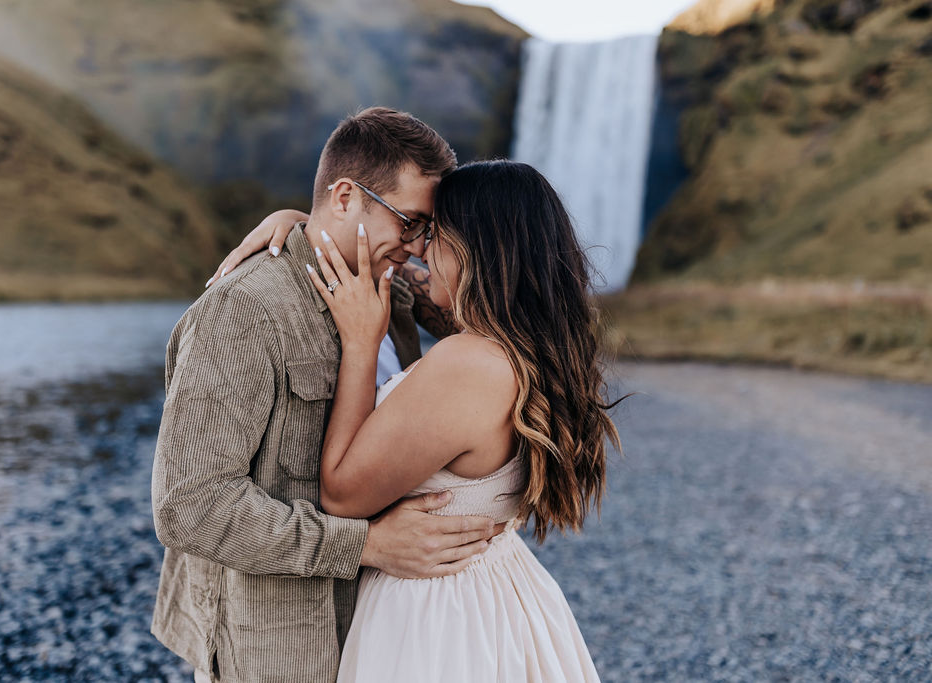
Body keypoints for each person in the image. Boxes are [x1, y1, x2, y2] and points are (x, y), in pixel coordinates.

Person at [226, 159, 621, 681]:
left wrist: (363, 343)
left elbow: (343, 494)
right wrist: (309, 224)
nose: (420, 250)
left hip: (436, 617)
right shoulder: (531, 346)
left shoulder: (469, 364)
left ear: (478, 248)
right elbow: (408, 276)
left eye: (435, 235)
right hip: (494, 592)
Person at [150, 107, 501, 683]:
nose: (416, 247)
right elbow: (189, 506)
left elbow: (502, 318)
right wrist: (366, 545)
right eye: (408, 222)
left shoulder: (395, 288)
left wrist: (298, 222)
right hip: (281, 646)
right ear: (343, 197)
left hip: (389, 636)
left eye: (427, 231)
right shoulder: (244, 311)